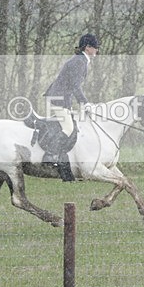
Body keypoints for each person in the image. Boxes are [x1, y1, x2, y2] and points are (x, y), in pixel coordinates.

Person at [43, 33, 99, 181]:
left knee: (72, 125)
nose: (97, 50)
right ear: (88, 48)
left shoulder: (81, 60)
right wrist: (85, 103)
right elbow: (75, 86)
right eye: (95, 47)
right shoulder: (79, 61)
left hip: (62, 98)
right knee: (68, 129)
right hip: (58, 99)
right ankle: (50, 156)